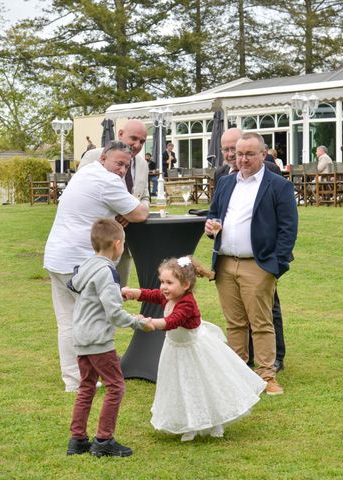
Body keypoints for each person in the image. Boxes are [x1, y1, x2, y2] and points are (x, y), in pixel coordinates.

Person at [121, 256, 265, 442]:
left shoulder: (187, 303)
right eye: (162, 282)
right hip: (175, 349)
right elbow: (152, 294)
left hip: (195, 351)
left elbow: (172, 322)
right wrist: (134, 292)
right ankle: (188, 422)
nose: (164, 287)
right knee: (181, 385)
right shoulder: (168, 296)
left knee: (204, 384)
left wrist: (148, 323)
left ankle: (216, 420)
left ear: (186, 285)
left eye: (169, 283)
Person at [44, 141, 149, 393]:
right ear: (103, 158)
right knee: (96, 319)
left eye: (126, 165)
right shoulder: (107, 181)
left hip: (57, 257)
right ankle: (93, 375)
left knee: (68, 321)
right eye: (119, 163)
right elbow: (140, 213)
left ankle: (74, 380)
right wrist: (128, 209)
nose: (122, 169)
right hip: (82, 261)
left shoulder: (85, 172)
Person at [205, 132, 298, 395]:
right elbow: (214, 214)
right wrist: (210, 226)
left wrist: (275, 266)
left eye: (249, 154)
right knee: (235, 323)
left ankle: (266, 376)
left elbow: (288, 229)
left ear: (263, 154)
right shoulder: (225, 182)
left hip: (258, 265)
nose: (241, 159)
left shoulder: (278, 185)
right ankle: (237, 372)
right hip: (224, 263)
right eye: (238, 153)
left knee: (261, 323)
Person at [66, 218, 154, 458]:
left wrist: (116, 297)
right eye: (123, 243)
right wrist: (139, 322)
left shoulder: (87, 266)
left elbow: (93, 297)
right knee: (116, 386)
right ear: (117, 244)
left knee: (86, 387)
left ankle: (78, 439)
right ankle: (104, 440)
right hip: (98, 342)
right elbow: (114, 314)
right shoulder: (107, 271)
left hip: (82, 338)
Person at [79, 120, 150, 287]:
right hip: (95, 239)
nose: (137, 144)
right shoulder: (93, 156)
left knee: (118, 289)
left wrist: (133, 212)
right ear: (120, 134)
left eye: (142, 141)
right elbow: (81, 191)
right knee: (93, 293)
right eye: (133, 138)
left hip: (125, 240)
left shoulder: (142, 164)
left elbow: (145, 197)